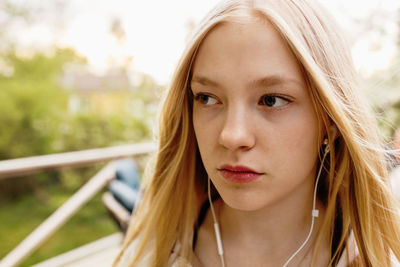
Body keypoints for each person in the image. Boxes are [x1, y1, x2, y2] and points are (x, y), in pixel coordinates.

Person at [114, 0, 400, 266]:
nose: (232, 135)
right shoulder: (155, 250)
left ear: (331, 120)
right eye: (208, 98)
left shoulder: (374, 258)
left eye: (272, 100)